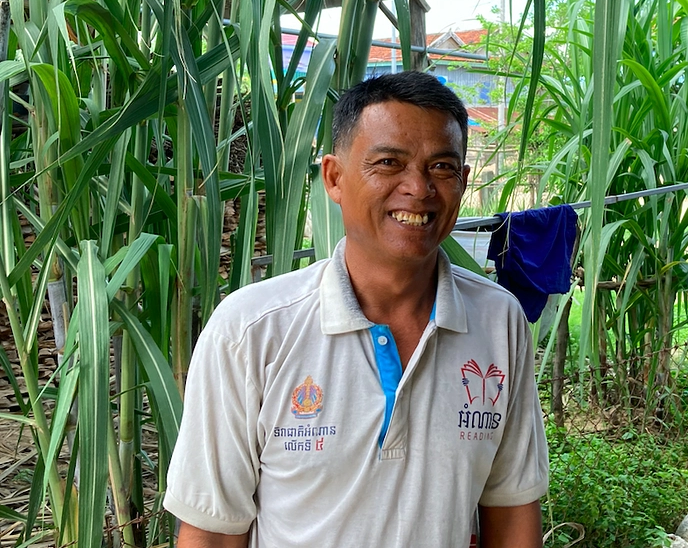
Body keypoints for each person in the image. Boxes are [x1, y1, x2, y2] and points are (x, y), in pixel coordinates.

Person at [163, 71, 549, 548]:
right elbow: (213, 533)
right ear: (335, 177)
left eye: (443, 167)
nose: (419, 188)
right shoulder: (251, 330)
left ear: (463, 182)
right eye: (389, 162)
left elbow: (510, 510)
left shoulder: (498, 321)